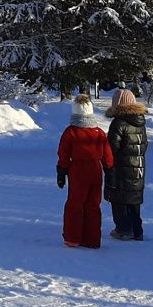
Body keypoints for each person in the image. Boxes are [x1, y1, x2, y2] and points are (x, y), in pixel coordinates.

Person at [57, 94, 113, 248]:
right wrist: (109, 169)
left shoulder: (70, 132)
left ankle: (72, 237)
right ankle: (92, 239)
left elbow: (63, 154)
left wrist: (61, 171)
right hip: (96, 170)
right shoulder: (99, 132)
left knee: (75, 203)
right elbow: (107, 154)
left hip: (78, 170)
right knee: (93, 204)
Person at [105, 89, 148, 241]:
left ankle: (123, 229)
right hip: (138, 168)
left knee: (119, 199)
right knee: (134, 200)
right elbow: (144, 145)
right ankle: (137, 230)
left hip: (121, 168)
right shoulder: (140, 122)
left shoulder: (118, 123)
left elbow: (111, 148)